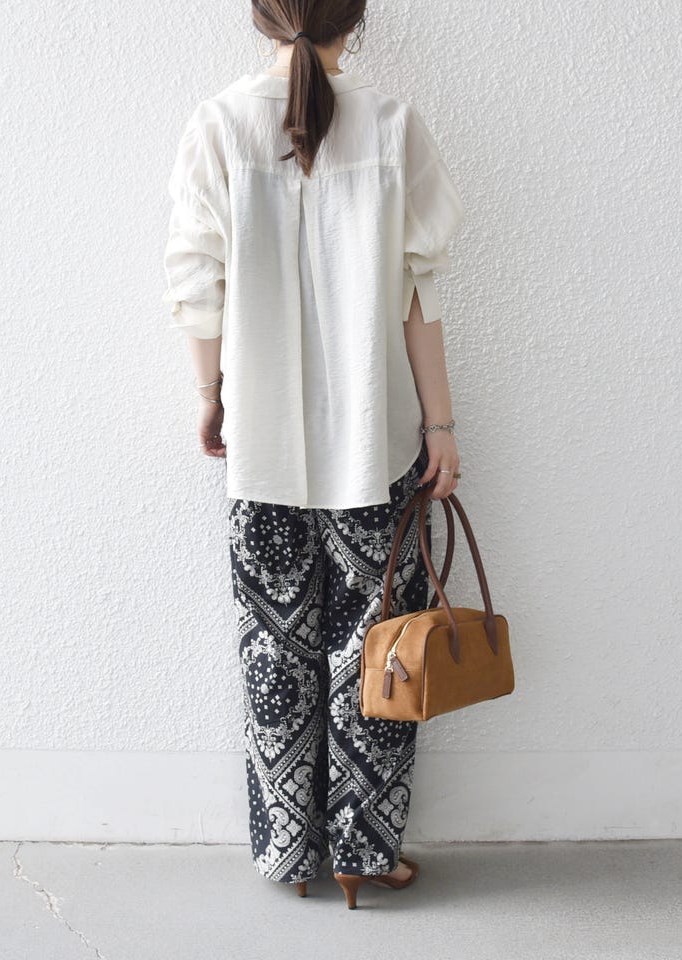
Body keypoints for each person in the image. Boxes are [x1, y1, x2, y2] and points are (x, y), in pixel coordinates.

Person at [161, 1, 464, 910]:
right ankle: (364, 855)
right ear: (353, 18)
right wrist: (441, 426)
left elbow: (196, 281)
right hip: (375, 444)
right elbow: (420, 294)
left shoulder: (217, 125)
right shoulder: (394, 126)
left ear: (264, 17)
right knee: (381, 650)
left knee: (274, 651)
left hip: (261, 449)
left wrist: (211, 395)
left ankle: (291, 852)